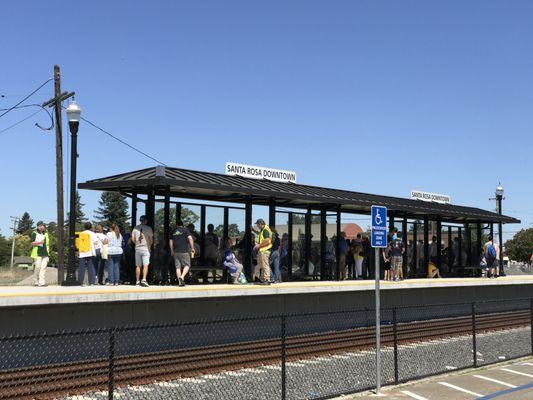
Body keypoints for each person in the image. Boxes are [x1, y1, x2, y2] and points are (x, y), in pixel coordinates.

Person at [170, 220, 195, 286]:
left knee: (178, 267)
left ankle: (180, 282)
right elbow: (190, 239)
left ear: (176, 225)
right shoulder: (185, 230)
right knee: (187, 265)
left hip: (175, 251)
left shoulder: (173, 231)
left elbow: (171, 241)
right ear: (182, 224)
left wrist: (172, 250)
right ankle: (182, 276)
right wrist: (192, 248)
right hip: (184, 251)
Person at [131, 215, 153, 287]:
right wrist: (150, 245)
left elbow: (133, 238)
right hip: (146, 248)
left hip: (137, 248)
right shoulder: (148, 228)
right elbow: (151, 239)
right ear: (146, 221)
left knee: (138, 265)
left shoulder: (135, 228)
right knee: (145, 265)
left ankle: (137, 281)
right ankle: (143, 279)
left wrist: (136, 244)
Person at [251, 219, 272, 285]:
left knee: (265, 265)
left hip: (264, 251)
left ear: (260, 224)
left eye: (257, 224)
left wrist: (258, 246)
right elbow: (259, 234)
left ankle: (267, 279)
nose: (257, 226)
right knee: (260, 265)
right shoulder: (262, 230)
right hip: (262, 251)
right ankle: (262, 279)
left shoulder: (265, 229)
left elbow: (267, 240)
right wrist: (253, 230)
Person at [30, 221, 50, 287]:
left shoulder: (46, 233)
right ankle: (36, 281)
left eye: (43, 225)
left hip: (45, 253)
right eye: (41, 225)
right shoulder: (34, 233)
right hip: (37, 253)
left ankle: (42, 282)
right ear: (38, 226)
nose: (43, 227)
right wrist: (39, 242)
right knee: (38, 267)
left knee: (43, 268)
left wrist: (48, 253)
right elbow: (32, 243)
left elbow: (47, 244)